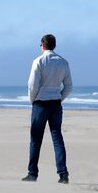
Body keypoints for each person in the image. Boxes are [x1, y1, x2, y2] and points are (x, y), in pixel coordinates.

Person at [22, 34, 73, 184]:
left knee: (35, 140)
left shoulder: (39, 61)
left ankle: (32, 173)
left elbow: (32, 85)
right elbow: (69, 86)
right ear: (54, 45)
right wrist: (59, 98)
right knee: (57, 139)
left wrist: (33, 100)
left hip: (41, 103)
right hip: (55, 104)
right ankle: (63, 174)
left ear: (42, 46)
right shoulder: (63, 62)